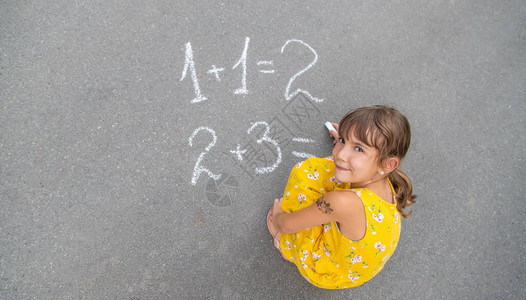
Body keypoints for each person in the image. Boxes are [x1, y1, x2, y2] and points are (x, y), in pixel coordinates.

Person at [267, 105, 416, 289]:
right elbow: (349, 157)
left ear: (387, 164)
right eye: (343, 140)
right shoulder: (387, 178)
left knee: (305, 173)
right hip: (354, 266)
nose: (342, 153)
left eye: (359, 149)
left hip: (327, 271)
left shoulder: (341, 202)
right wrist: (353, 142)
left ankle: (286, 244)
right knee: (334, 169)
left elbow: (285, 224)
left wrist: (280, 216)